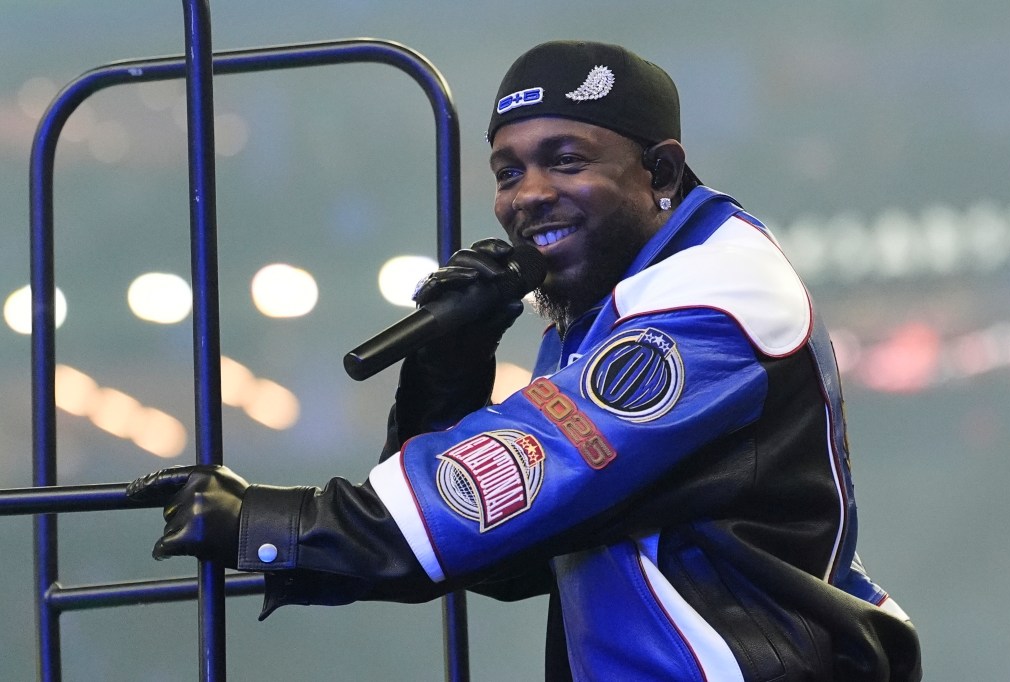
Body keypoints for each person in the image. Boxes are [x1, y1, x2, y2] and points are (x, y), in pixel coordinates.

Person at [129, 40, 923, 680]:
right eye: (508, 171)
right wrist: (453, 358)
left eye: (566, 159)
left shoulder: (710, 302)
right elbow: (506, 552)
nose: (527, 194)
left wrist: (269, 526)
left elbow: (500, 486)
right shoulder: (611, 302)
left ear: (663, 174)